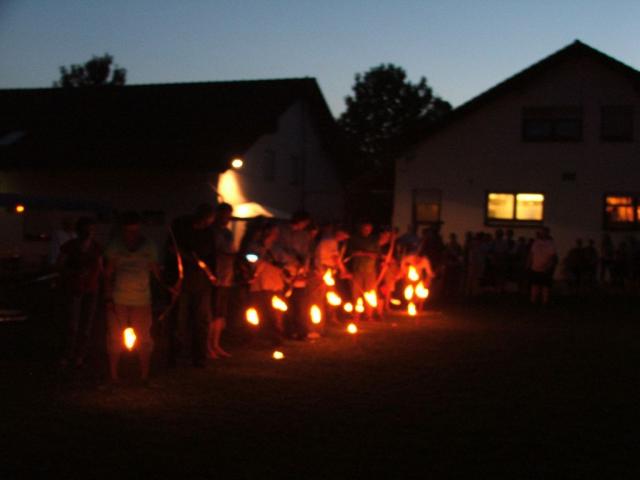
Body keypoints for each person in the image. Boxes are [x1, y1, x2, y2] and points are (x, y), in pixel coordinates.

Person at [104, 212, 168, 385]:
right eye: (128, 231)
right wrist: (108, 298)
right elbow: (108, 274)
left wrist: (169, 287)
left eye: (135, 231)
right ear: (123, 230)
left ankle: (144, 374)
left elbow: (156, 271)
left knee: (145, 338)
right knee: (115, 337)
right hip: (119, 299)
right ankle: (113, 375)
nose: (131, 235)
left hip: (142, 300)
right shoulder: (115, 245)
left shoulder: (148, 246)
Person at [172, 204, 217, 367]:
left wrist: (212, 274)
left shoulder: (208, 234)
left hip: (202, 282)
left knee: (201, 320)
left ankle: (199, 357)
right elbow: (175, 250)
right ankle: (177, 356)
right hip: (184, 281)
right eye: (210, 218)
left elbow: (211, 256)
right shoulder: (182, 229)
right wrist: (191, 260)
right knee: (180, 320)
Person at [56, 217, 103, 367]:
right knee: (72, 324)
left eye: (91, 230)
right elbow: (60, 265)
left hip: (91, 289)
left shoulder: (96, 248)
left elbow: (100, 267)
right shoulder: (70, 246)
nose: (89, 233)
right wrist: (74, 272)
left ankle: (80, 355)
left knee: (86, 325)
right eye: (87, 230)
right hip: (75, 288)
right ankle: (68, 354)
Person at [209, 203, 234, 358]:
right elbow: (216, 251)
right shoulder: (212, 232)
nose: (228, 218)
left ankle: (216, 344)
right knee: (213, 312)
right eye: (226, 215)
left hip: (226, 277)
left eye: (229, 215)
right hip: (216, 277)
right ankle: (208, 346)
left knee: (220, 314)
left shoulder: (228, 233)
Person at [347, 220, 381, 320]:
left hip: (370, 270)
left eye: (368, 229)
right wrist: (364, 253)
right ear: (361, 229)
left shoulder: (374, 240)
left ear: (371, 230)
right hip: (357, 269)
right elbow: (352, 253)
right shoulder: (355, 239)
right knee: (355, 293)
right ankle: (356, 314)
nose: (367, 231)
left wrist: (363, 253)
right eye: (365, 229)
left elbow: (377, 255)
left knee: (370, 293)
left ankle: (368, 315)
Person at [527, 227, 558, 306]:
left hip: (546, 268)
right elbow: (531, 254)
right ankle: (533, 301)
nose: (542, 234)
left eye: (544, 232)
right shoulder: (536, 242)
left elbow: (553, 256)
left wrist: (549, 266)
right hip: (535, 267)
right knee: (535, 285)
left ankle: (545, 301)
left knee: (545, 286)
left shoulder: (551, 243)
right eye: (541, 232)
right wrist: (529, 264)